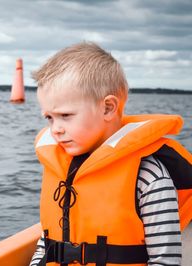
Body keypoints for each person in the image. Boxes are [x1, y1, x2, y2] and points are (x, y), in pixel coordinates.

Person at [29, 42, 192, 266]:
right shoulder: (63, 170)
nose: (55, 128)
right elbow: (47, 242)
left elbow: (165, 260)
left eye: (65, 115)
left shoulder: (150, 176)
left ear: (107, 108)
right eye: (49, 118)